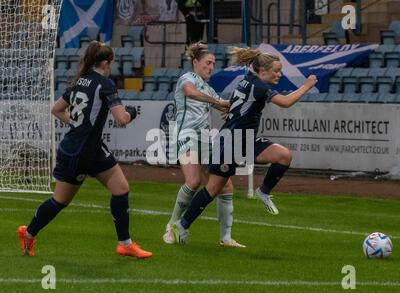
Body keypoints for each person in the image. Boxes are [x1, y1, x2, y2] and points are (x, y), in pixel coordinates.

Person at [17, 41, 152, 259]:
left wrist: (77, 125)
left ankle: (125, 244)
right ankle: (28, 232)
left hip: (85, 148)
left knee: (119, 189)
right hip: (81, 152)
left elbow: (56, 109)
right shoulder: (105, 84)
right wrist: (131, 113)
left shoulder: (80, 81)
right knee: (62, 200)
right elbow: (121, 120)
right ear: (107, 63)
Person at [170, 46, 318, 244]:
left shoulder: (248, 79)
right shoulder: (258, 86)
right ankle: (182, 225)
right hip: (231, 142)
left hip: (242, 139)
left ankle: (262, 193)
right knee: (213, 188)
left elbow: (237, 98)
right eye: (276, 71)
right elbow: (285, 102)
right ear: (263, 71)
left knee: (282, 156)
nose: (279, 74)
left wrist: (232, 111)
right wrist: (307, 85)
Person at [162, 42, 245, 248]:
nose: (211, 67)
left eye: (213, 64)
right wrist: (219, 103)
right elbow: (191, 92)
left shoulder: (208, 88)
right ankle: (172, 225)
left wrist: (228, 107)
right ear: (195, 62)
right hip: (187, 136)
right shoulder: (187, 79)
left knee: (225, 185)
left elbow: (222, 105)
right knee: (193, 181)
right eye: (207, 63)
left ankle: (226, 238)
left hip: (206, 140)